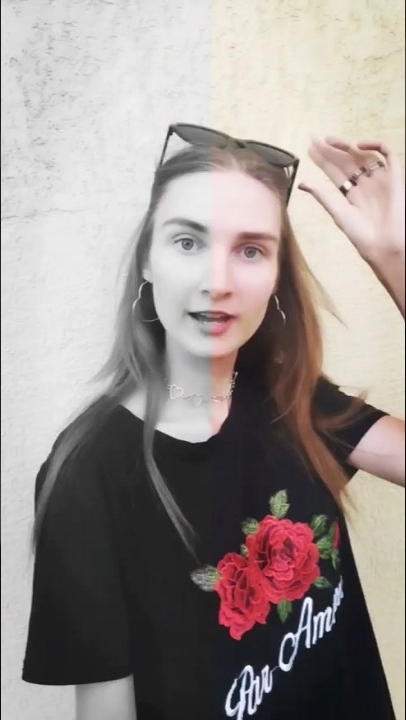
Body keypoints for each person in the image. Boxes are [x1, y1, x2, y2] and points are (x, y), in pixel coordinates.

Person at [22, 124, 405, 720]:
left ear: (276, 277)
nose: (217, 282)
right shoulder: (88, 472)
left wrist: (395, 261)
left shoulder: (295, 404)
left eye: (251, 250)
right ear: (148, 260)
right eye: (187, 242)